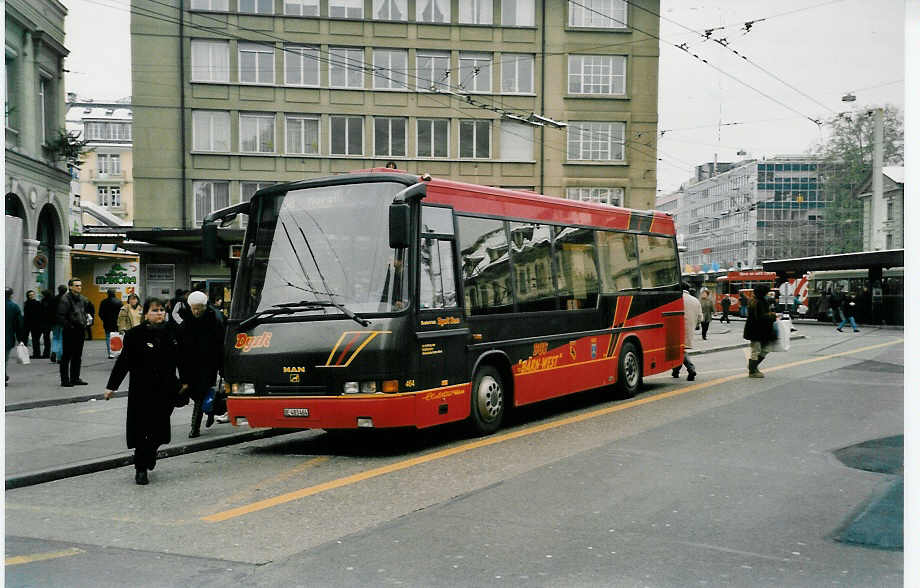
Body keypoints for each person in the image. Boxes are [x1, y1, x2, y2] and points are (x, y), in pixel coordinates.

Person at [104, 297, 185, 485]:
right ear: (146, 313)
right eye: (155, 310)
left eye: (162, 310)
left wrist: (186, 381)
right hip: (141, 390)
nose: (160, 314)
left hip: (165, 390)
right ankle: (141, 468)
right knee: (141, 430)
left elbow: (183, 358)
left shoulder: (171, 333)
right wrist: (111, 386)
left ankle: (151, 452)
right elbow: (123, 362)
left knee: (158, 429)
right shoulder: (135, 335)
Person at [177, 291, 226, 438]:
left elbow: (220, 345)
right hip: (190, 364)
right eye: (194, 308)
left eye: (199, 308)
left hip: (208, 364)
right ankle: (210, 411)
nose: (197, 311)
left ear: (205, 306)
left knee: (200, 394)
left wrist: (222, 366)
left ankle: (194, 428)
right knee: (196, 394)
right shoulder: (185, 322)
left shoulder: (214, 320)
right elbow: (180, 348)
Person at [56, 278, 90, 387]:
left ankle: (75, 378)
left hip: (80, 329)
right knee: (66, 356)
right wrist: (69, 326)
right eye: (76, 285)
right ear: (70, 287)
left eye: (80, 285)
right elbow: (61, 316)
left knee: (77, 355)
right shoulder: (65, 299)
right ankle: (65, 380)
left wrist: (87, 319)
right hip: (70, 330)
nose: (79, 287)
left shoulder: (82, 299)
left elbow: (85, 311)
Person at [743, 284, 776, 378]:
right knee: (757, 350)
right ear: (763, 293)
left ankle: (753, 367)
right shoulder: (758, 302)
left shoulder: (757, 301)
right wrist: (772, 316)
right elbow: (761, 317)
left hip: (759, 331)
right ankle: (752, 370)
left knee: (763, 349)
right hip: (757, 331)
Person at [672, 282, 701, 381]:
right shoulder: (695, 300)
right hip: (690, 329)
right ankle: (675, 371)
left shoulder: (677, 299)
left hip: (676, 328)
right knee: (680, 350)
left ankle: (691, 369)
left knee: (680, 350)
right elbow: (700, 317)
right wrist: (696, 325)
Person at [6, 288, 26, 383]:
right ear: (11, 295)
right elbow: (18, 325)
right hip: (7, 337)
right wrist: (20, 339)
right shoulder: (14, 307)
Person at [98, 289, 124, 359]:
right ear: (115, 293)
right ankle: (118, 353)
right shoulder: (119, 302)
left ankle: (111, 354)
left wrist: (104, 319)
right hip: (117, 323)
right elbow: (122, 313)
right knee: (118, 337)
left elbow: (100, 313)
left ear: (107, 293)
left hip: (107, 323)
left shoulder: (103, 302)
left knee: (108, 337)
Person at [48, 285, 67, 363]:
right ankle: (60, 357)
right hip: (63, 322)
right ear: (66, 291)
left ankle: (54, 351)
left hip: (54, 322)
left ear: (58, 290)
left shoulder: (53, 299)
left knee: (55, 337)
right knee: (62, 339)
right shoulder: (66, 299)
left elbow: (49, 311)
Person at [24, 290, 45, 358]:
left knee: (35, 339)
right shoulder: (27, 303)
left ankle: (36, 353)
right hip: (29, 323)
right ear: (28, 296)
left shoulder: (37, 303)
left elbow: (41, 314)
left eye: (33, 294)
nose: (32, 296)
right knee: (33, 339)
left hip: (36, 324)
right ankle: (33, 353)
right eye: (30, 295)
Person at [38, 289, 54, 358]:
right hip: (49, 321)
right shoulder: (51, 300)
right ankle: (47, 352)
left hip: (46, 322)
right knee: (47, 337)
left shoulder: (45, 301)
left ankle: (46, 353)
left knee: (46, 337)